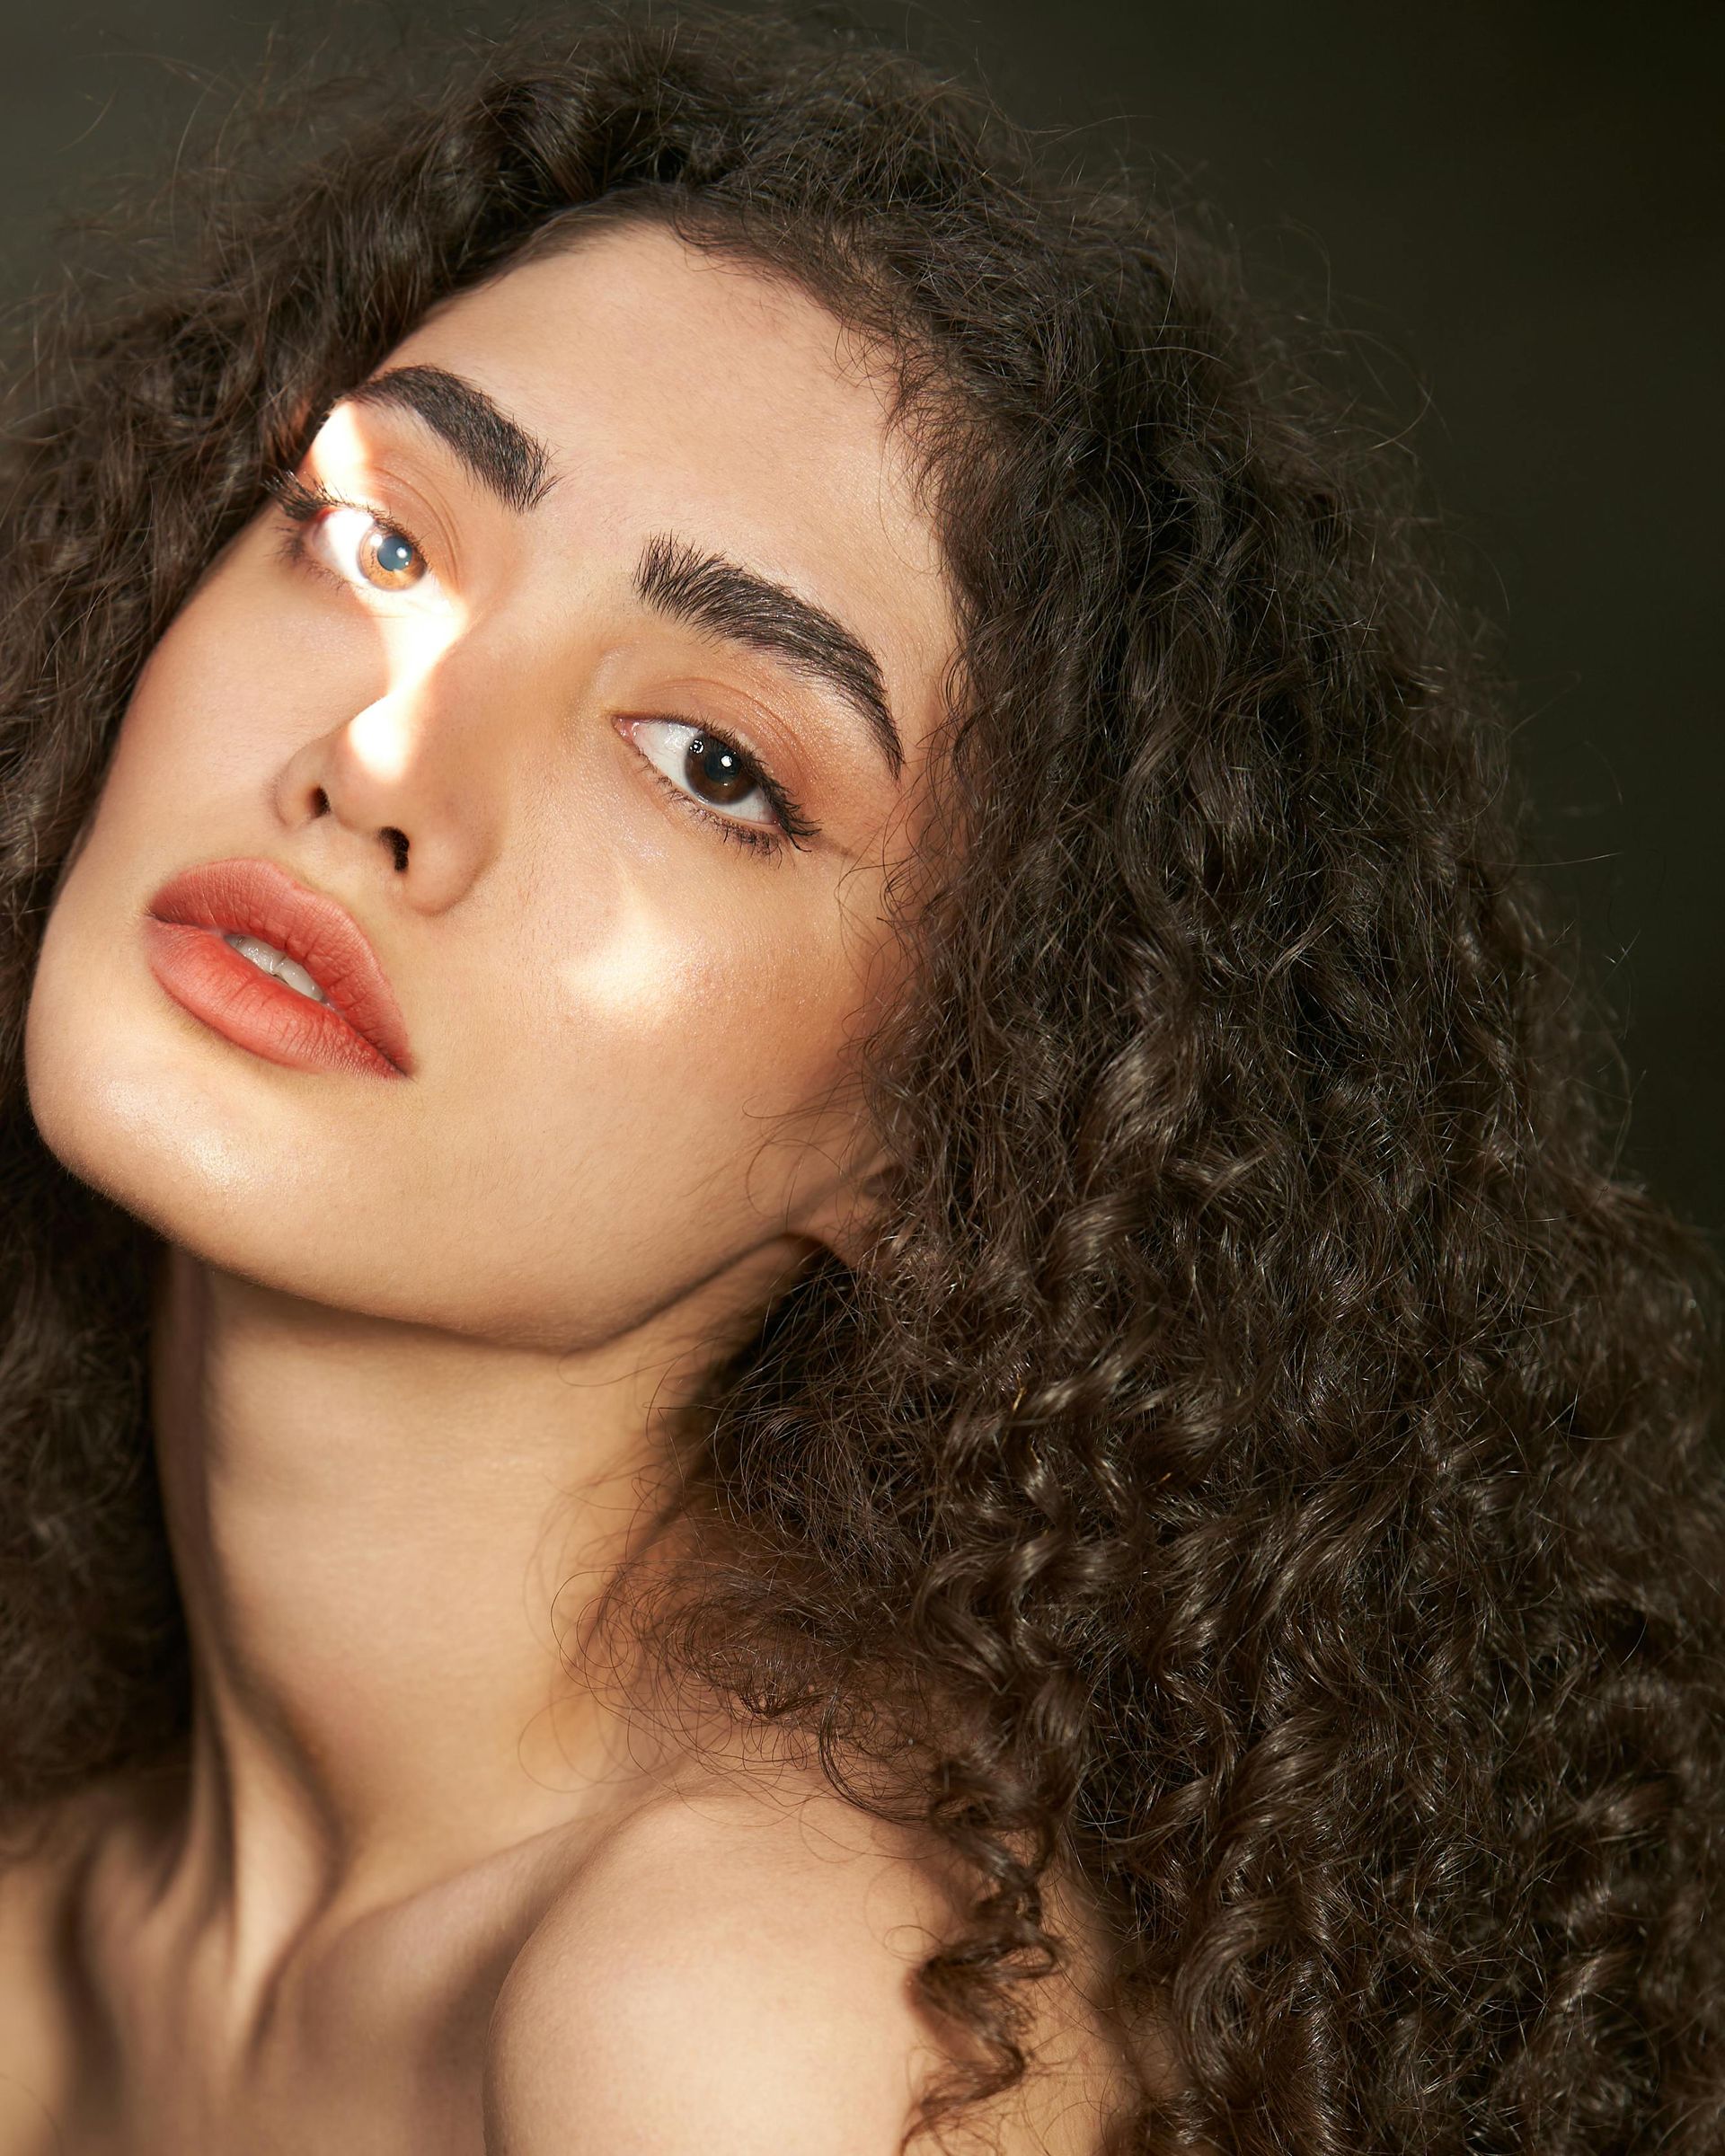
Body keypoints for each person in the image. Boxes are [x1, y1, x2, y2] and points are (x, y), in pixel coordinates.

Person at [0, 6, 1720, 2150]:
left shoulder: (762, 2023)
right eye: (383, 539)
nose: (377, 764)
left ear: (969, 1131)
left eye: (715, 763)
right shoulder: (48, 1932)